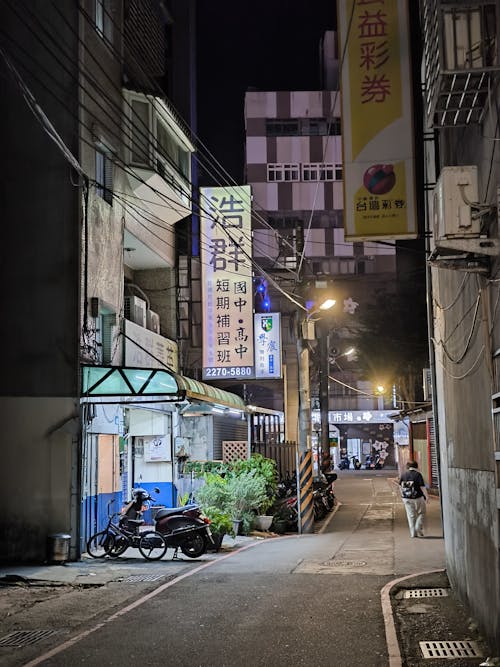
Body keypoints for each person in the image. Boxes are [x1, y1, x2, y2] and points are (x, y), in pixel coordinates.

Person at [399, 461, 429, 537]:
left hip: (406, 498)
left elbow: (400, 486)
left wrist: (402, 496)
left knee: (411, 516)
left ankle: (413, 533)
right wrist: (427, 497)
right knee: (421, 513)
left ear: (408, 467)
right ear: (416, 466)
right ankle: (418, 527)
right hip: (418, 498)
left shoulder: (403, 474)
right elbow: (422, 487)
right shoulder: (418, 474)